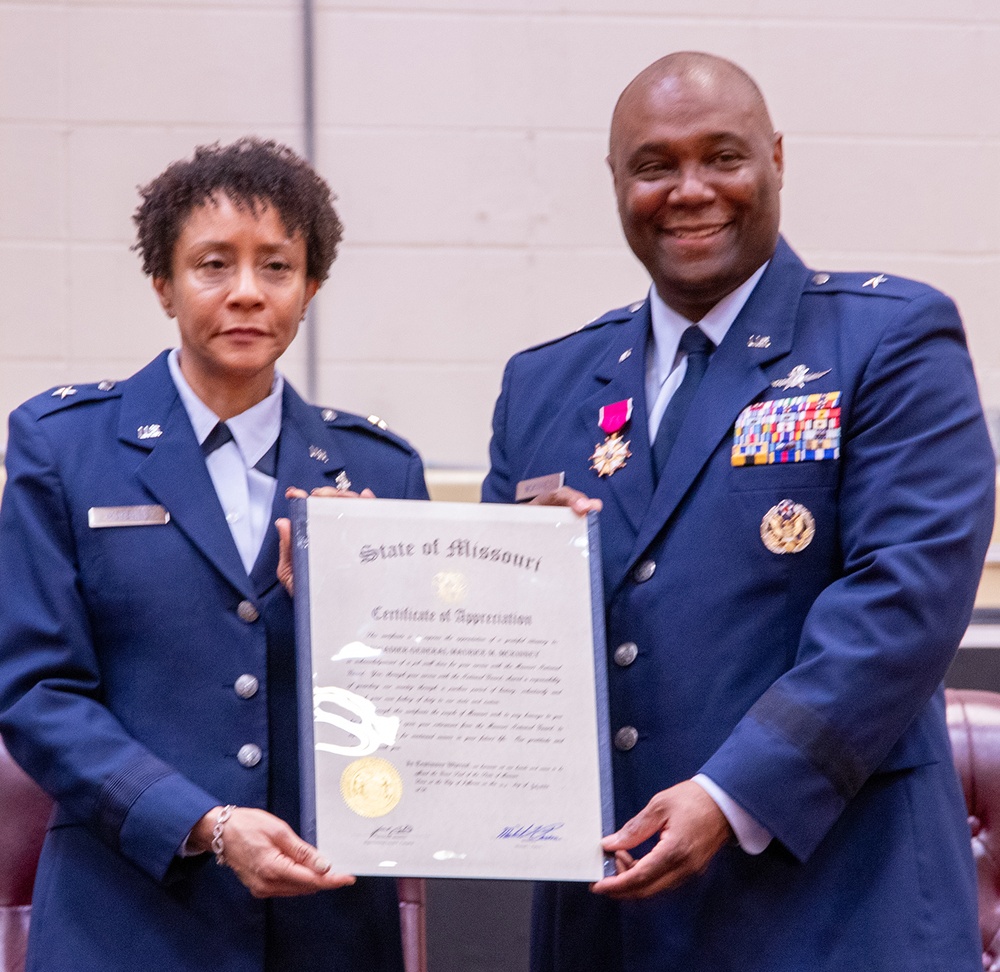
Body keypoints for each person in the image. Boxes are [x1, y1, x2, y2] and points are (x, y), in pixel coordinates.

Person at [482, 52, 995, 971]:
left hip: (836, 905)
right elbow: (484, 640)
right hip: (614, 915)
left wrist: (731, 794)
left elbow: (902, 602)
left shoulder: (890, 340)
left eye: (723, 156)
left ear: (777, 160)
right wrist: (340, 578)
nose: (690, 191)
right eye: (653, 166)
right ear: (615, 183)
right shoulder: (544, 386)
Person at [0, 138, 426, 972]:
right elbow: (37, 694)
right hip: (125, 919)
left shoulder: (379, 470)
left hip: (326, 925)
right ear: (163, 283)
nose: (245, 294)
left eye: (276, 267)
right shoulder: (64, 449)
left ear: (310, 289)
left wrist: (350, 610)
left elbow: (418, 706)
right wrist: (203, 823)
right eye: (211, 264)